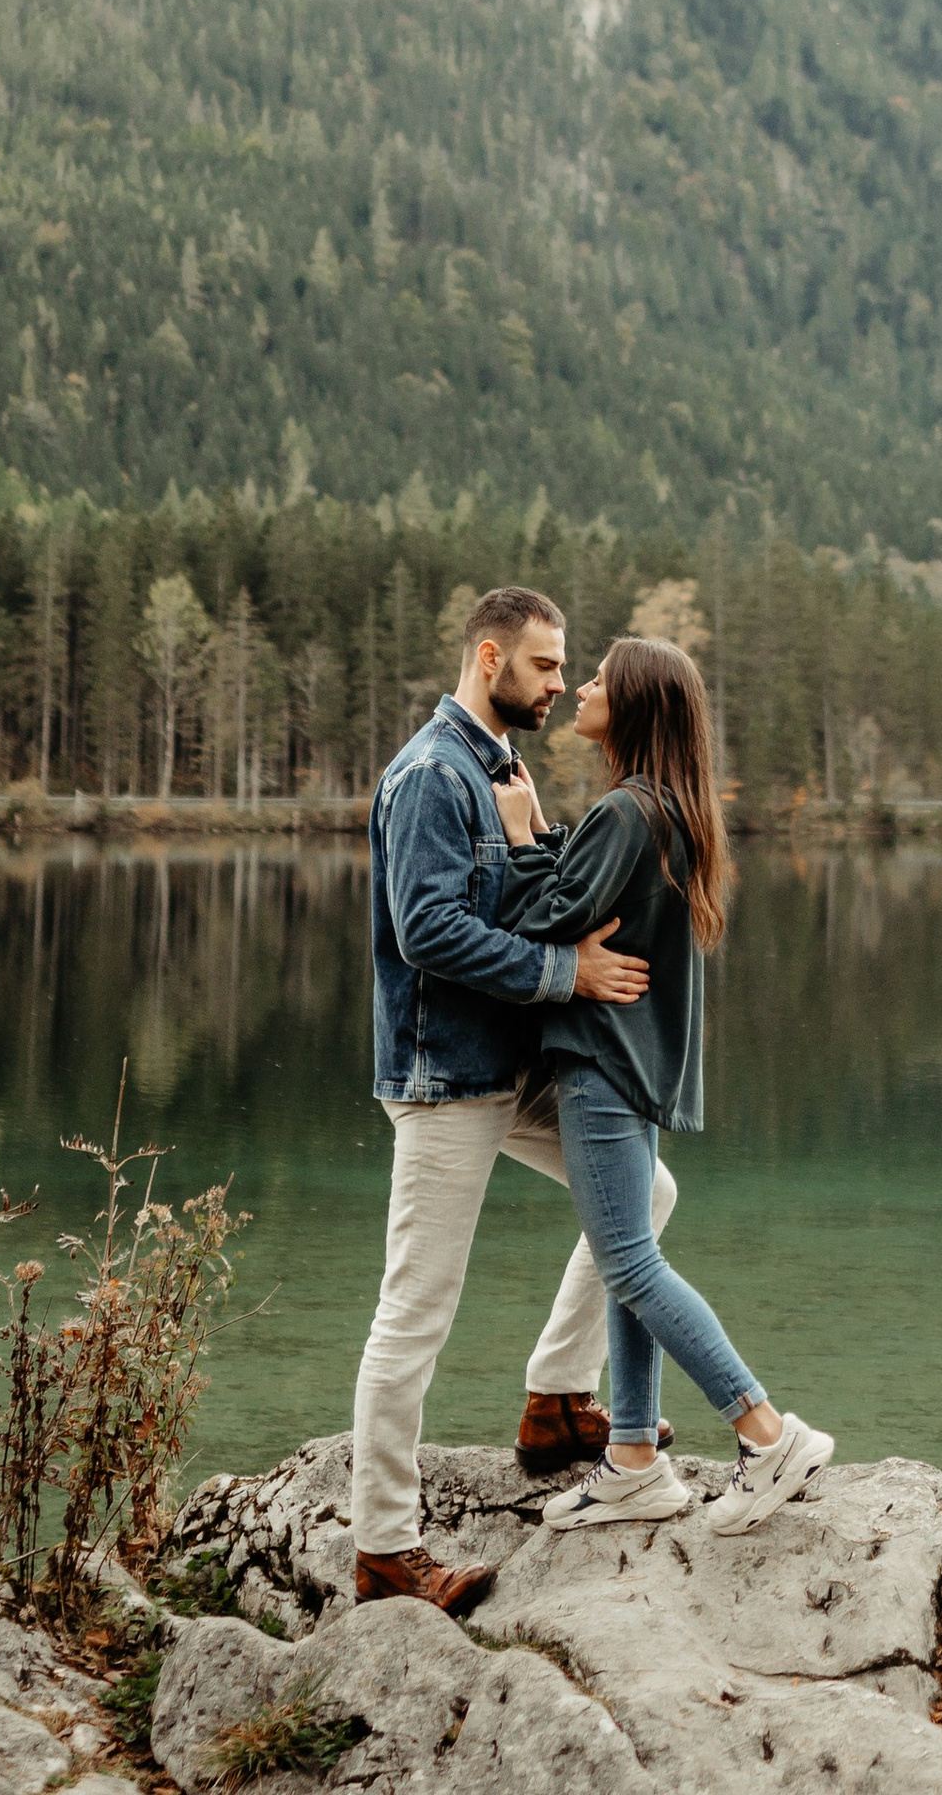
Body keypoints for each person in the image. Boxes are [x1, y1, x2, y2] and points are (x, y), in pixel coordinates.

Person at [352, 584, 679, 1614]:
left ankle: (552, 1400)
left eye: (563, 666)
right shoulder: (426, 776)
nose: (556, 681)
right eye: (544, 665)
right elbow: (427, 931)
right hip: (445, 1076)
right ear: (487, 656)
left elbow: (524, 892)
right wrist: (565, 974)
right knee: (414, 1312)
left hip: (509, 1067)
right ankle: (383, 1546)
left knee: (647, 1193)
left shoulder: (496, 768)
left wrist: (536, 835)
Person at [488, 633, 832, 1535]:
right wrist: (553, 846)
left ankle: (768, 1435)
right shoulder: (663, 811)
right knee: (625, 1252)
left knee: (630, 1262)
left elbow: (544, 917)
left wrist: (522, 838)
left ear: (633, 705)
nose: (584, 688)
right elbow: (586, 894)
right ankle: (634, 1460)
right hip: (636, 1064)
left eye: (599, 678)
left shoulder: (629, 811)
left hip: (600, 1062)